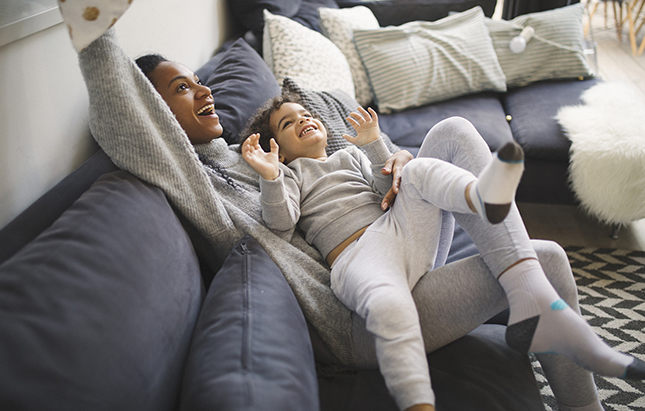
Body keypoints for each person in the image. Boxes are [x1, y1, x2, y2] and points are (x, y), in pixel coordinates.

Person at [77, 28, 634, 411]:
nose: (204, 91)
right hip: (358, 317)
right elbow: (131, 124)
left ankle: (524, 291)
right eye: (182, 89)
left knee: (453, 136)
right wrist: (94, 35)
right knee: (552, 260)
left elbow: (358, 180)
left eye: (199, 83)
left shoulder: (246, 152)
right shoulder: (204, 178)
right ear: (158, 117)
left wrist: (391, 161)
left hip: (394, 244)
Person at [240, 94, 645, 411]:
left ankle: (481, 194)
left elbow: (388, 194)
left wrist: (381, 150)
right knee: (550, 258)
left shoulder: (348, 156)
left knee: (431, 152)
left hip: (404, 235)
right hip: (367, 258)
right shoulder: (290, 174)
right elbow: (280, 222)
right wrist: (271, 176)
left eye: (303, 113)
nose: (303, 120)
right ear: (282, 149)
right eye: (288, 124)